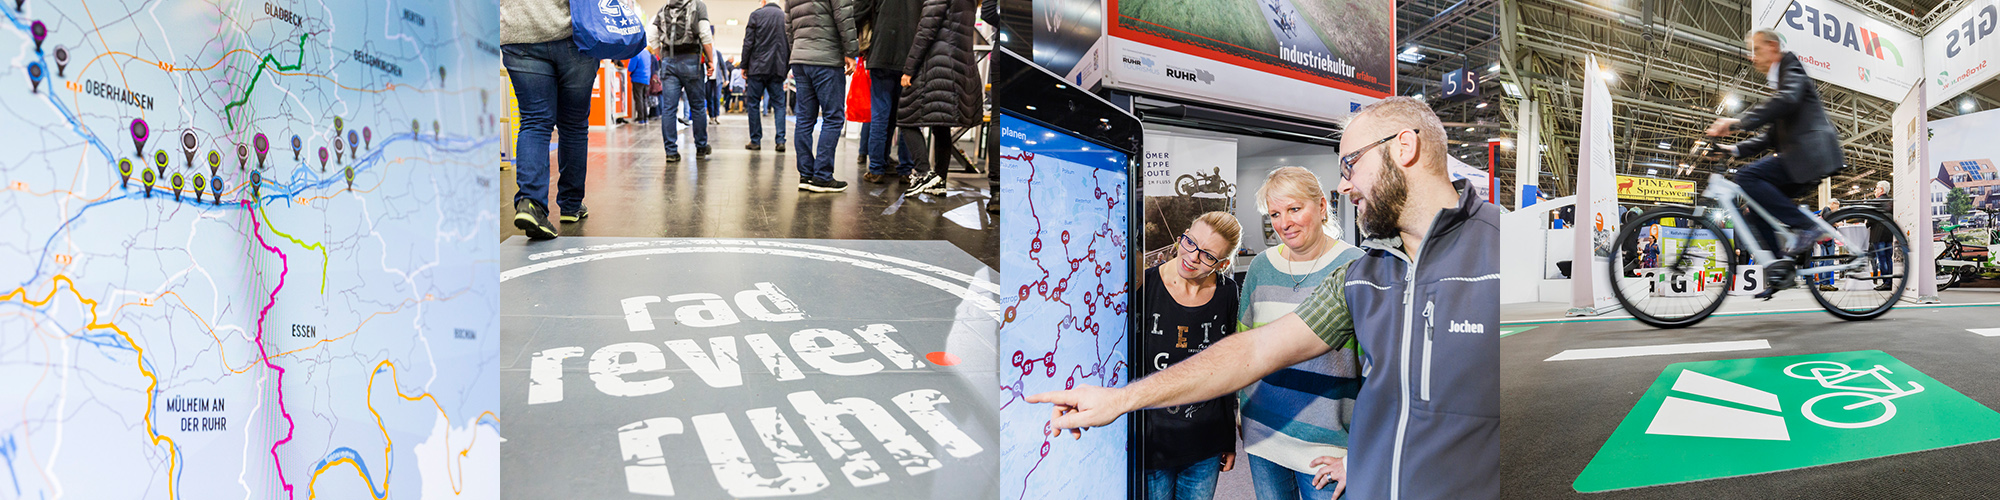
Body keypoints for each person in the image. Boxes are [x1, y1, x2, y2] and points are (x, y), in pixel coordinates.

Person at [1028, 97, 1500, 500]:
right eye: (1276, 213)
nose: (1344, 184)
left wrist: (1355, 451)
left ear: (1403, 146)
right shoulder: (1364, 274)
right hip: (1287, 446)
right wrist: (1120, 399)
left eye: (1350, 164)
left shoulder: (1498, 249)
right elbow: (1252, 349)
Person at [1236, 167, 1366, 500]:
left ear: (1322, 206)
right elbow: (1244, 346)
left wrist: (1360, 450)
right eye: (1275, 213)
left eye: (1295, 209)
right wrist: (1240, 407)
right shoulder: (1260, 267)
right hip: (1263, 436)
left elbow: (1377, 369)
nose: (1284, 223)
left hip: (1328, 448)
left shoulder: (1355, 265)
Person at [1705, 28, 1845, 298]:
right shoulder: (1780, 82)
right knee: (1755, 211)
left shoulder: (1791, 68)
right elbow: (1769, 137)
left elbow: (1787, 100)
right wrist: (1733, 148)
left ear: (1772, 47)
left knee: (1746, 178)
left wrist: (1736, 122)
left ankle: (1807, 226)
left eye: (1756, 50)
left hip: (1810, 155)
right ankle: (1781, 270)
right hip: (1801, 159)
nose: (1752, 57)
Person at [1141, 211, 1244, 500]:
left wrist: (1227, 438)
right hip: (1152, 443)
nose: (1192, 257)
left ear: (1222, 263)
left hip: (1205, 444)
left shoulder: (1227, 293)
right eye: (1190, 242)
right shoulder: (1145, 286)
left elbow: (1228, 369)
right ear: (1181, 235)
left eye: (1208, 256)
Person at [502, 0, 601, 238]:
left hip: (517, 33)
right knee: (574, 125)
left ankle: (531, 204)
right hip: (572, 35)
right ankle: (570, 205)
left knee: (535, 121)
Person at [897, 0, 981, 198]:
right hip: (958, 67)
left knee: (905, 117)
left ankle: (924, 173)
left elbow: (926, 29)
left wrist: (909, 69)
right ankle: (939, 181)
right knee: (941, 124)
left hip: (937, 63)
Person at [787, 0, 861, 193]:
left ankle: (805, 175)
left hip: (800, 59)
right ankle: (822, 176)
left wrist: (798, 51)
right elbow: (844, 17)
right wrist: (851, 52)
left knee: (804, 119)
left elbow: (788, 26)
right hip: (826, 58)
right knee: (833, 117)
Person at [861, 0, 923, 184]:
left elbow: (860, 9)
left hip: (881, 53)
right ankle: (905, 169)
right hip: (911, 56)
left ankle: (877, 169)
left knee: (880, 116)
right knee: (907, 116)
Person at [651, 0, 715, 164]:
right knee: (698, 106)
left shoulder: (664, 8)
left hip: (669, 61)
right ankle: (701, 147)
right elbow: (705, 34)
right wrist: (710, 60)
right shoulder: (698, 6)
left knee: (669, 108)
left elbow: (651, 35)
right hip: (691, 60)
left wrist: (662, 56)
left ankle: (671, 152)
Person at [741, 0, 789, 152]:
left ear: (763, 1)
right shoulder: (786, 17)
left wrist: (744, 65)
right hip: (777, 69)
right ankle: (780, 141)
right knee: (779, 105)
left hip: (757, 68)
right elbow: (790, 44)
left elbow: (748, 42)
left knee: (753, 103)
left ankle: (755, 141)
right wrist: (786, 68)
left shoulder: (756, 15)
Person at [628, 50, 654, 124]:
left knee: (638, 99)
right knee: (644, 99)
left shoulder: (636, 53)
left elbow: (630, 68)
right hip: (646, 79)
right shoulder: (647, 53)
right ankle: (645, 118)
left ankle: (640, 118)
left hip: (638, 78)